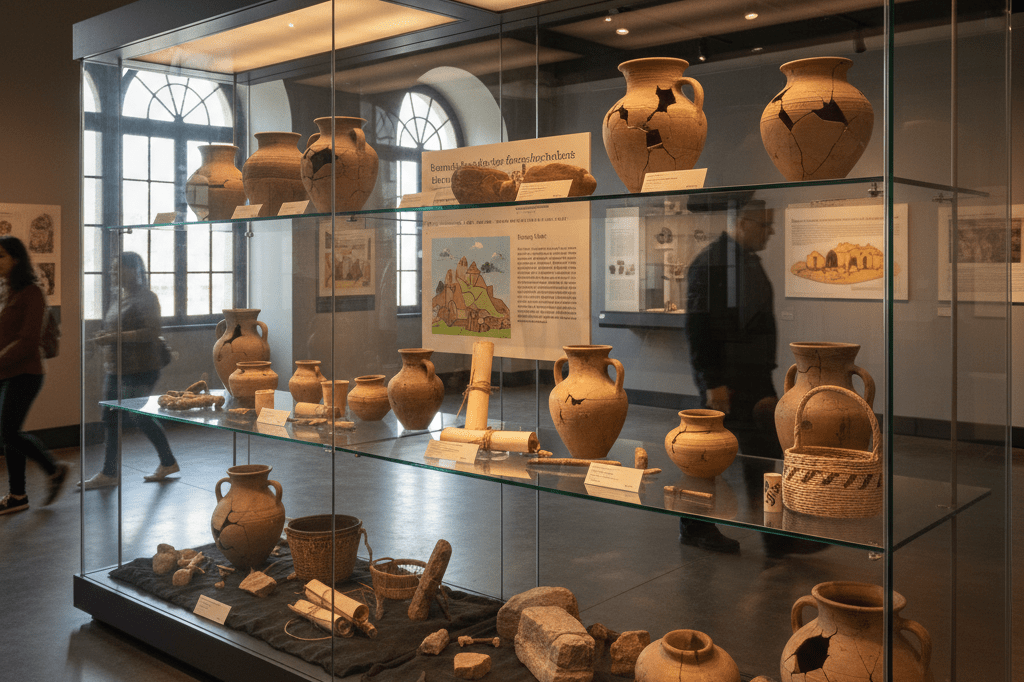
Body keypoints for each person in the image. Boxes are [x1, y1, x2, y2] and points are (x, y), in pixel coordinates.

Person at [681, 197, 782, 553]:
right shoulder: (710, 264)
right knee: (706, 457)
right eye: (764, 226)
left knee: (763, 452)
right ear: (741, 221)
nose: (770, 233)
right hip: (727, 381)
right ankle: (695, 527)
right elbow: (698, 328)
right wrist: (712, 383)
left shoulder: (745, 262)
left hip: (754, 377)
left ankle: (773, 531)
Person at [80, 252, 178, 489]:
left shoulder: (146, 298)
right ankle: (110, 472)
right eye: (112, 268)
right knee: (110, 417)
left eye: (117, 268)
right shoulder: (120, 297)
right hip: (117, 367)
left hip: (141, 368)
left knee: (138, 416)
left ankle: (167, 461)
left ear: (134, 270)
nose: (112, 272)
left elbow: (151, 332)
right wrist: (106, 338)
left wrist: (114, 337)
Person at [0, 236, 69, 514]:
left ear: (16, 259)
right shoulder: (7, 290)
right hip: (5, 371)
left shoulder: (32, 292)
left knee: (9, 431)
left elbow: (29, 340)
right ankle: (18, 496)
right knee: (7, 433)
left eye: (1, 256)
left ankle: (54, 469)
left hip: (26, 373)